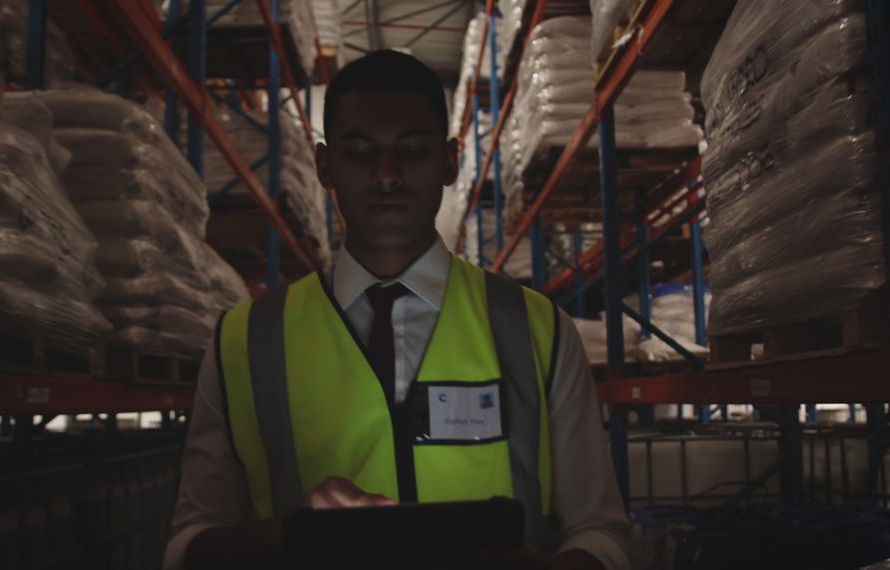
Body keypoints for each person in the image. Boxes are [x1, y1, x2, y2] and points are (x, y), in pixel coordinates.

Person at [163, 50, 629, 570]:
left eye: (412, 149)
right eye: (360, 152)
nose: (387, 175)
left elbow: (600, 529)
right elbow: (190, 545)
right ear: (323, 166)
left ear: (451, 161)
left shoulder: (537, 328)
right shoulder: (243, 341)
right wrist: (291, 535)